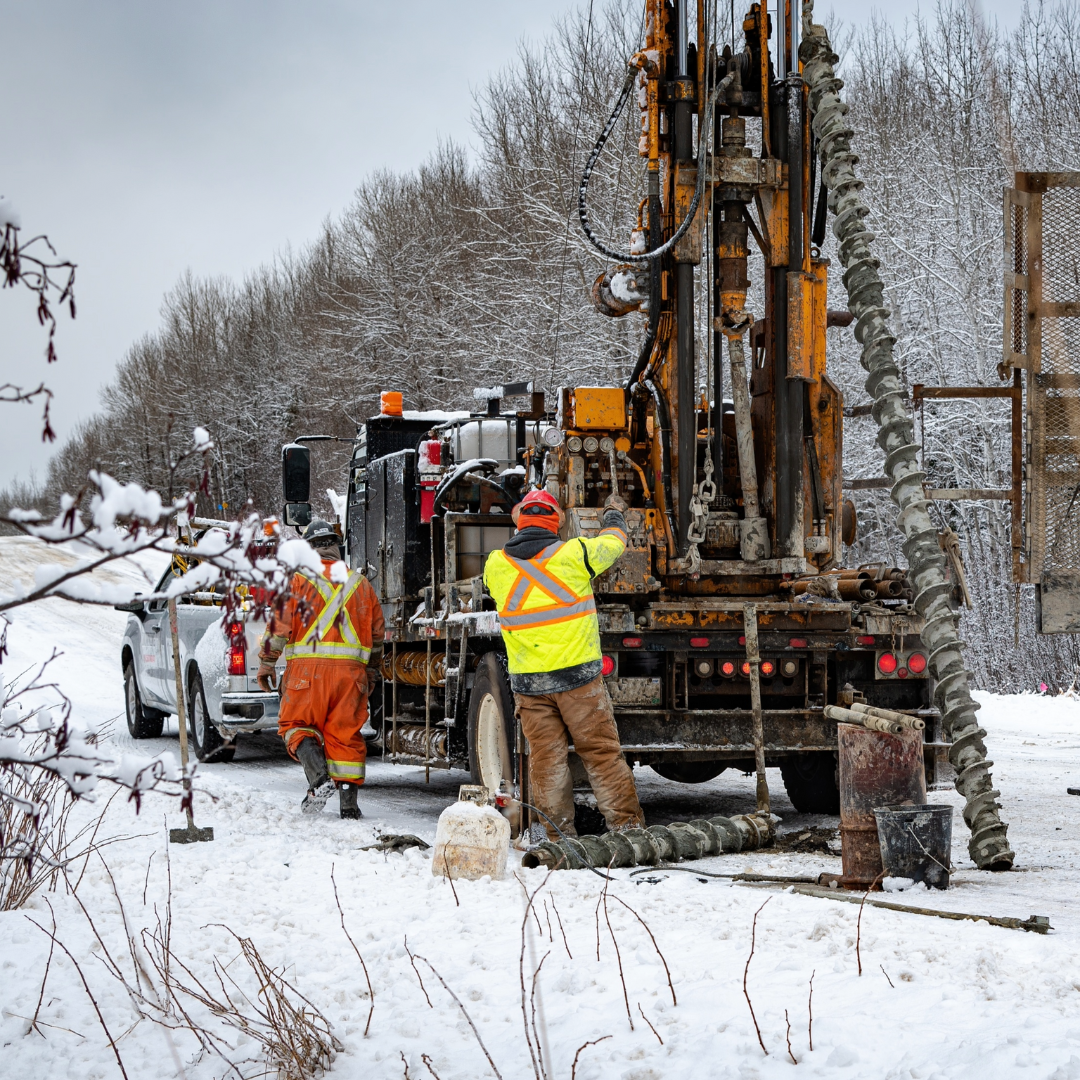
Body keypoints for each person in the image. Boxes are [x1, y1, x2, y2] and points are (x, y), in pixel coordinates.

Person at [483, 488, 644, 839]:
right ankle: (628, 831)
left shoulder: (495, 565)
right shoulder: (575, 554)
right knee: (601, 755)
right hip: (578, 680)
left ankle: (558, 837)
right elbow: (614, 544)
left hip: (530, 686)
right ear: (556, 523)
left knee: (546, 762)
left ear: (519, 522)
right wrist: (613, 513)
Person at [257, 518, 384, 819]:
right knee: (346, 734)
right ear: (336, 548)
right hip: (351, 677)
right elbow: (377, 635)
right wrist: (371, 672)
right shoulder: (362, 585)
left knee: (296, 726)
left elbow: (278, 628)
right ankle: (349, 806)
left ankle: (319, 779)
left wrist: (266, 663)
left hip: (307, 675)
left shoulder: (296, 582)